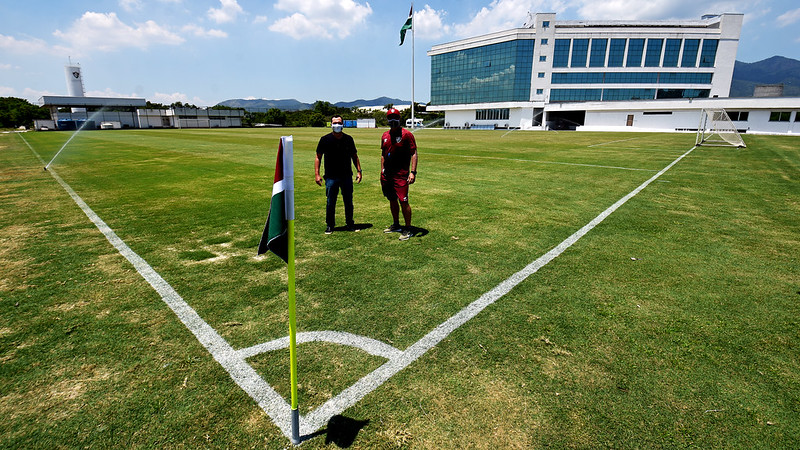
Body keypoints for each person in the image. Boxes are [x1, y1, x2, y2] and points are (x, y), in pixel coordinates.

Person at [315, 115, 362, 234]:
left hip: (346, 176)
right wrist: (317, 174)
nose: (337, 125)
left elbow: (354, 156)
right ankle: (330, 225)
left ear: (343, 124)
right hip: (331, 176)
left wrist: (359, 171)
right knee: (331, 202)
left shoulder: (348, 139)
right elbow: (318, 157)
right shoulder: (325, 139)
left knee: (348, 201)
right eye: (334, 123)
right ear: (331, 124)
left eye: (339, 123)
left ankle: (350, 223)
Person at [380, 108, 418, 241]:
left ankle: (408, 228)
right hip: (387, 175)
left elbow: (414, 153)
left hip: (401, 175)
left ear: (399, 119)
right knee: (392, 199)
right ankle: (396, 224)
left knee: (404, 201)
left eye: (395, 117)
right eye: (390, 118)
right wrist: (382, 170)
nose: (392, 120)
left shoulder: (407, 135)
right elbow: (383, 155)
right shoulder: (385, 135)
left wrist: (413, 172)